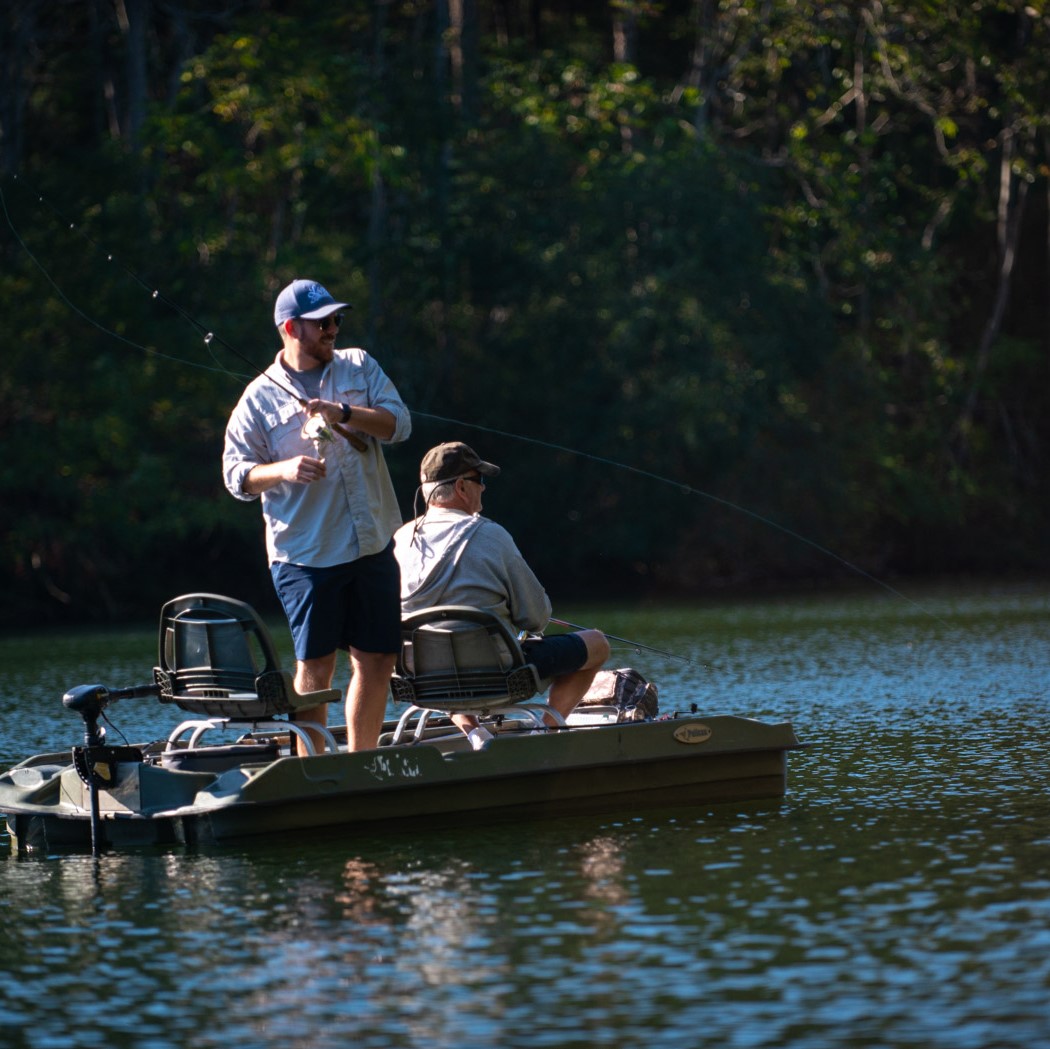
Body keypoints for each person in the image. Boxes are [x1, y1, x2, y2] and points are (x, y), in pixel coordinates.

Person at [222, 279, 411, 754]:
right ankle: (314, 768)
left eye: (335, 320)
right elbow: (235, 476)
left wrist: (343, 412)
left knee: (377, 659)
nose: (332, 329)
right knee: (315, 667)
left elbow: (398, 425)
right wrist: (284, 469)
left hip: (371, 541)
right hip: (305, 554)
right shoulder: (257, 400)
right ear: (290, 328)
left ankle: (361, 762)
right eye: (321, 322)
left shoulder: (358, 365)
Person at [392, 441, 609, 748]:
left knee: (442, 651)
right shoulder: (492, 534)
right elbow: (536, 618)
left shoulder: (399, 540)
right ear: (461, 487)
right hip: (501, 676)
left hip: (423, 680)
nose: (484, 489)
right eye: (480, 481)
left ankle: (474, 732)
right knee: (596, 643)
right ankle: (543, 733)